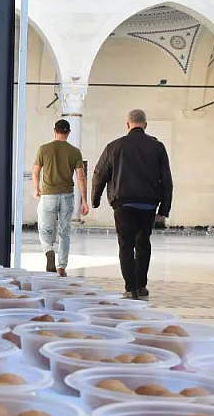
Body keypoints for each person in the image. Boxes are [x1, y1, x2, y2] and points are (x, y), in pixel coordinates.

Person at [90, 109, 173, 300]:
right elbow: (166, 179)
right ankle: (141, 285)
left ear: (128, 124)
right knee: (143, 243)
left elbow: (99, 174)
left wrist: (95, 199)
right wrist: (164, 208)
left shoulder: (115, 146)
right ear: (145, 125)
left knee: (126, 245)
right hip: (148, 204)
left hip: (123, 203)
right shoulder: (157, 147)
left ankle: (130, 288)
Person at [34, 119, 88, 276]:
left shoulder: (43, 149)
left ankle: (48, 250)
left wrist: (36, 189)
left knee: (44, 229)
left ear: (54, 130)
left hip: (48, 195)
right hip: (67, 196)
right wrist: (84, 200)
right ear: (69, 132)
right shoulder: (75, 152)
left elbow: (36, 172)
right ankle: (61, 267)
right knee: (65, 232)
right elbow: (81, 177)